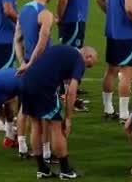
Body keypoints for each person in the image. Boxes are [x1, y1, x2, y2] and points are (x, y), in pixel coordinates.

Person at [19, 44, 99, 180]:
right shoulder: (79, 60)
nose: (86, 68)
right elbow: (72, 91)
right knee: (56, 126)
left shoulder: (61, 49)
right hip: (44, 87)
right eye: (89, 65)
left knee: (35, 124)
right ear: (88, 56)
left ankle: (42, 169)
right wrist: (68, 118)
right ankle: (65, 170)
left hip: (26, 81)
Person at [14, 0, 58, 156]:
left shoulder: (24, 10)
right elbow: (43, 39)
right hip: (43, 68)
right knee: (46, 114)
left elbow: (17, 38)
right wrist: (32, 61)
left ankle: (22, 146)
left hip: (26, 66)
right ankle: (46, 152)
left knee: (25, 108)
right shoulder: (45, 13)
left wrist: (23, 61)